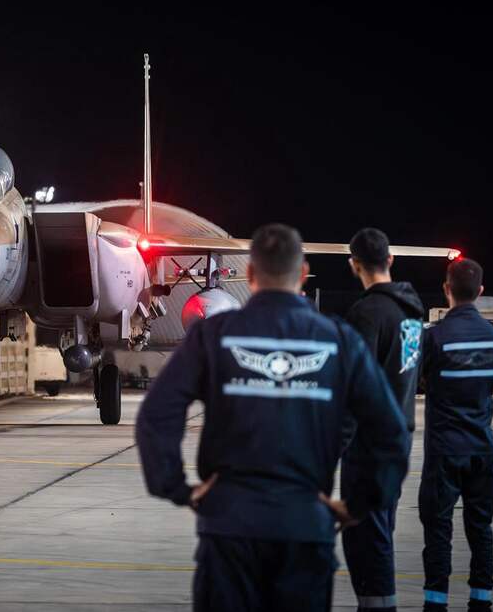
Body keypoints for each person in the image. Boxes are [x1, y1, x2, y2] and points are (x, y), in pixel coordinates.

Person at [136, 223, 410, 612]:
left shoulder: (214, 335)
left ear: (249, 275)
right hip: (305, 530)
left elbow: (156, 416)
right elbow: (391, 431)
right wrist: (361, 503)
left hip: (229, 528)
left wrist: (177, 487)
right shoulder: (338, 340)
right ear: (302, 273)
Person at [342, 228, 425, 612]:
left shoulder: (366, 314)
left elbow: (353, 390)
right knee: (381, 534)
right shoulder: (412, 313)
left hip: (369, 448)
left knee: (366, 541)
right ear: (391, 259)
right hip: (400, 439)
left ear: (353, 264)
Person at [419, 259, 493, 611]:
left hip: (443, 452)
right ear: (481, 292)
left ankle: (436, 603)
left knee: (438, 534)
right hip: (482, 451)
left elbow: (417, 382)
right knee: (481, 531)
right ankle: (481, 602)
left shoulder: (434, 338)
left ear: (446, 289)